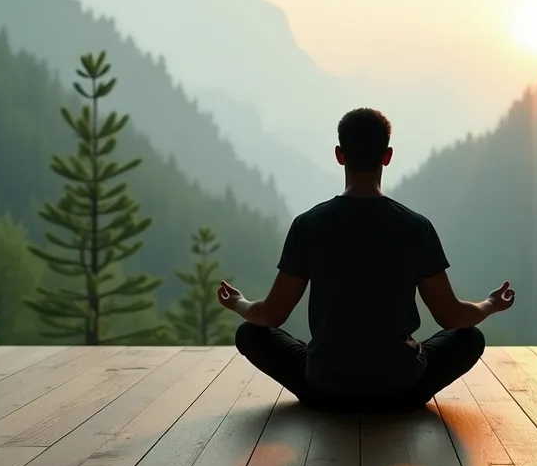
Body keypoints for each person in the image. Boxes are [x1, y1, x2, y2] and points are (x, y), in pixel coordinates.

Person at [217, 107, 516, 413]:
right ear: (387, 156)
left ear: (339, 154)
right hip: (401, 389)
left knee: (249, 333)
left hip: (324, 388)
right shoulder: (416, 227)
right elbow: (451, 317)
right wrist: (490, 305)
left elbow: (271, 314)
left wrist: (239, 303)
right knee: (470, 339)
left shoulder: (308, 225)